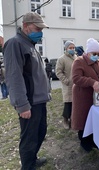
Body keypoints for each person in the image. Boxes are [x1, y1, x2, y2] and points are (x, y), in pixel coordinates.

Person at [3, 12, 51, 169]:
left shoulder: (29, 44)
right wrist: (22, 105)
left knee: (40, 132)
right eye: (37, 28)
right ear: (25, 26)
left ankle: (32, 159)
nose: (40, 32)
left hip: (39, 100)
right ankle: (28, 166)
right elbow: (13, 76)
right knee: (29, 138)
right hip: (29, 102)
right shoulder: (15, 44)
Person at [71, 38, 99, 152]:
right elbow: (76, 78)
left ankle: (93, 140)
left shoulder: (98, 62)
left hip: (96, 96)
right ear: (87, 53)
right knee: (83, 118)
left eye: (98, 54)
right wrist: (92, 82)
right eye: (94, 53)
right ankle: (84, 142)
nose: (96, 56)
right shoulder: (79, 61)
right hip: (83, 96)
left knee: (93, 119)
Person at [56, 41, 77, 129]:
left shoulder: (76, 57)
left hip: (76, 85)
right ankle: (65, 120)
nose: (72, 49)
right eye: (70, 48)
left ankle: (73, 120)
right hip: (68, 85)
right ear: (66, 48)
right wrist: (66, 81)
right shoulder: (62, 59)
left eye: (73, 48)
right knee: (68, 104)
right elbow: (58, 72)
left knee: (74, 104)